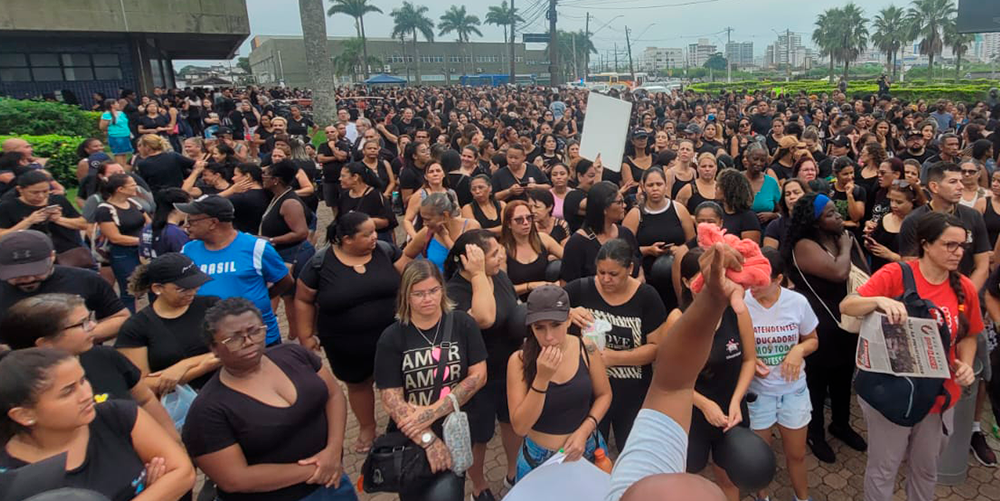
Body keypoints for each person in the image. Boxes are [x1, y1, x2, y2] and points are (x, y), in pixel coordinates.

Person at [841, 212, 981, 501]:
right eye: (949, 245)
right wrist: (878, 300)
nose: (958, 252)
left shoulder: (964, 287)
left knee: (926, 470)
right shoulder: (897, 274)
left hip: (939, 397)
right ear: (926, 245)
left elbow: (969, 335)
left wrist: (966, 364)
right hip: (892, 392)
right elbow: (848, 305)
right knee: (884, 469)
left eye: (962, 246)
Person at [602, 240, 745, 501]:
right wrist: (711, 301)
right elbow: (675, 384)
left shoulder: (638, 483)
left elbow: (672, 385)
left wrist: (712, 300)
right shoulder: (675, 317)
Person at [182, 298, 358, 501]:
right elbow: (234, 478)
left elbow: (334, 394)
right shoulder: (208, 411)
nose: (249, 341)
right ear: (213, 347)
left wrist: (334, 450)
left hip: (333, 482)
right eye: (234, 338)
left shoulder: (294, 354)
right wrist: (316, 469)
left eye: (255, 331)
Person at [0, 348, 195, 500]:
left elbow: (182, 472)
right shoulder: (10, 477)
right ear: (24, 415)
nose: (87, 394)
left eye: (83, 380)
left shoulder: (116, 416)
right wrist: (156, 493)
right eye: (68, 391)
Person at [295, 213, 411, 453]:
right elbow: (304, 299)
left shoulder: (385, 251)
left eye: (373, 232)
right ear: (346, 239)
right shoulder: (320, 263)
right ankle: (367, 427)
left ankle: (405, 422)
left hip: (394, 337)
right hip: (346, 342)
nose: (374, 237)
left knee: (402, 380)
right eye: (366, 234)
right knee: (359, 384)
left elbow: (410, 276)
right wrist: (306, 335)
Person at [374, 260, 488, 501]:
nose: (428, 299)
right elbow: (390, 398)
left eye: (434, 290)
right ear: (406, 295)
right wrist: (427, 439)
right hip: (411, 439)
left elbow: (478, 376)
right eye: (419, 294)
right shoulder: (392, 337)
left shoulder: (462, 323)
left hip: (454, 432)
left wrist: (433, 411)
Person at [0, 293, 178, 440]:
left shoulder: (105, 356)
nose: (93, 326)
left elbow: (145, 399)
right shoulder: (14, 387)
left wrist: (173, 441)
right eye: (82, 323)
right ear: (45, 343)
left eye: (90, 318)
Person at [783, 193, 868, 463]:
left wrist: (850, 246)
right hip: (818, 326)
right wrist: (845, 246)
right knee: (817, 385)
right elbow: (838, 272)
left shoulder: (839, 237)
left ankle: (840, 424)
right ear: (816, 221)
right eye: (830, 214)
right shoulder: (804, 245)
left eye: (836, 211)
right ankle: (814, 433)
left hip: (845, 323)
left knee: (843, 380)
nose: (837, 217)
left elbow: (861, 272)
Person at [565, 238, 667, 451]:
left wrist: (615, 358)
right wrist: (567, 313)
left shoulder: (647, 297)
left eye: (613, 274)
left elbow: (657, 348)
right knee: (589, 450)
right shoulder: (581, 289)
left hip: (633, 392)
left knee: (631, 450)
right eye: (601, 272)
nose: (605, 279)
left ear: (629, 269)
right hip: (588, 391)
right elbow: (544, 310)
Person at [671, 249, 756, 501]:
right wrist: (704, 404)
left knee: (729, 479)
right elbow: (671, 380)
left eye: (715, 278)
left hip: (731, 413)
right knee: (690, 479)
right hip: (691, 414)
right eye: (702, 279)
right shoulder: (677, 319)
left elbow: (749, 360)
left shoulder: (737, 311)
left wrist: (735, 401)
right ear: (687, 282)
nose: (711, 286)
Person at [507, 285, 613, 480]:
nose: (548, 337)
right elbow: (520, 426)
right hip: (539, 459)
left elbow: (604, 394)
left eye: (556, 325)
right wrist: (542, 378)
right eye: (539, 327)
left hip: (587, 450)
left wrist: (584, 430)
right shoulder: (519, 361)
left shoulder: (586, 347)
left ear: (569, 320)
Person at [444, 230, 521, 499]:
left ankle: (513, 472)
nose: (501, 255)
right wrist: (477, 275)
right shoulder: (454, 292)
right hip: (477, 377)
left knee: (512, 422)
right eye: (493, 253)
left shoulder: (498, 275)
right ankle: (479, 484)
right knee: (480, 436)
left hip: (508, 370)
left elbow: (512, 306)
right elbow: (486, 317)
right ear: (471, 259)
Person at [745, 248, 818, 501]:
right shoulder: (741, 303)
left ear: (778, 279)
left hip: (793, 390)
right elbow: (732, 344)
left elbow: (812, 340)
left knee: (796, 455)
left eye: (760, 281)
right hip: (757, 393)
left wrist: (798, 349)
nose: (752, 287)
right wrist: (750, 362)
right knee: (760, 459)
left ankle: (802, 497)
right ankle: (761, 497)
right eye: (749, 279)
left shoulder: (797, 302)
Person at [178, 195, 293, 346]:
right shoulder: (187, 251)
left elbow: (285, 281)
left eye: (191, 221)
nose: (186, 226)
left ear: (213, 222)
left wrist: (260, 298)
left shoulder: (256, 248)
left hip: (259, 340)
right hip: (214, 342)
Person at [115, 253, 220, 397]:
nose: (192, 292)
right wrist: (204, 364)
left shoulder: (211, 306)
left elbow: (235, 346)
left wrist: (185, 365)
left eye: (195, 286)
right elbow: (140, 385)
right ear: (158, 288)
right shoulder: (136, 328)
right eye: (183, 289)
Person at [0, 230, 128, 343]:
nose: (28, 278)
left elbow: (120, 317)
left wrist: (80, 337)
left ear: (52, 257)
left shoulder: (85, 279)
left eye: (35, 271)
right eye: (16, 274)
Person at [898, 162, 991, 289]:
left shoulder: (973, 216)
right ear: (934, 187)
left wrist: (967, 295)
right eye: (953, 182)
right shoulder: (914, 220)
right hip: (928, 296)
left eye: (960, 181)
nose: (960, 186)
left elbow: (982, 266)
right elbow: (910, 267)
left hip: (966, 290)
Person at [622, 167, 694, 312]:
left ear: (665, 185)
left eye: (659, 184)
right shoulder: (636, 215)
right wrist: (647, 250)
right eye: (650, 185)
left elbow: (692, 242)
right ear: (643, 187)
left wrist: (679, 250)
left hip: (677, 277)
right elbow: (624, 248)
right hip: (648, 277)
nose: (655, 189)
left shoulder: (679, 209)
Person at [261, 161, 316, 342]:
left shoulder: (290, 202)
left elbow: (301, 233)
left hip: (295, 255)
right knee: (288, 298)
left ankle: (303, 336)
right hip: (283, 254)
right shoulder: (278, 197)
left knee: (295, 298)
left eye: (266, 175)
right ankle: (294, 334)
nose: (263, 177)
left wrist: (271, 240)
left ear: (276, 180)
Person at [0, 170, 90, 267]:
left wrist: (59, 219)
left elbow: (84, 224)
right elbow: (2, 236)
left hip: (68, 253)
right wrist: (28, 221)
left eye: (45, 191)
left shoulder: (58, 200)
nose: (41, 196)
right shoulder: (8, 207)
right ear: (20, 190)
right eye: (34, 192)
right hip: (31, 257)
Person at [561, 181, 642, 283]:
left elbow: (639, 265)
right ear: (604, 208)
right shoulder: (577, 243)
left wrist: (638, 282)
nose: (624, 205)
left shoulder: (626, 234)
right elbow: (567, 284)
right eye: (619, 202)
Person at [95, 174, 149, 313]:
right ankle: (129, 321)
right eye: (132, 184)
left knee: (152, 284)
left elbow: (148, 223)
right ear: (120, 189)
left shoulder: (134, 203)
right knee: (129, 290)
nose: (135, 187)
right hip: (123, 254)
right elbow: (115, 238)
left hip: (142, 251)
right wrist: (143, 241)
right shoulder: (105, 210)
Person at [500, 200, 564, 300]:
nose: (526, 223)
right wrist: (530, 286)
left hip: (548, 297)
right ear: (509, 224)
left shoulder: (543, 239)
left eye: (529, 218)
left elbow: (570, 261)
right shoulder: (502, 251)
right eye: (519, 220)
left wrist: (561, 283)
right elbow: (503, 289)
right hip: (520, 302)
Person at [865, 180, 926, 272]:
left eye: (899, 202)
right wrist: (869, 243)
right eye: (891, 200)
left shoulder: (920, 223)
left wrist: (890, 255)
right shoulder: (885, 218)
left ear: (912, 202)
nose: (893, 205)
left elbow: (921, 262)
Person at [412, 192, 479, 273]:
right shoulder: (427, 232)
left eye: (428, 219)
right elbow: (405, 256)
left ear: (445, 215)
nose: (424, 223)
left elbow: (463, 261)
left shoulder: (471, 227)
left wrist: (445, 237)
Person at [337, 162, 392, 241]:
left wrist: (359, 222)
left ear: (355, 177)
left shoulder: (374, 195)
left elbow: (385, 222)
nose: (340, 179)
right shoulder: (344, 196)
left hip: (374, 240)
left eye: (343, 176)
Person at [403, 162, 459, 240]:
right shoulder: (419, 195)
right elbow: (407, 220)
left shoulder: (451, 193)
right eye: (431, 172)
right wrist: (416, 238)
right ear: (426, 176)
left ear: (444, 174)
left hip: (448, 236)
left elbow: (457, 216)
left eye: (438, 171)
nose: (435, 174)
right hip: (425, 236)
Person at [139, 188, 190, 261]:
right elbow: (187, 259)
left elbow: (142, 257)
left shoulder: (147, 228)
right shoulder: (175, 233)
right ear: (177, 208)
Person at [220, 163, 270, 235]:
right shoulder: (269, 193)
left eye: (235, 175)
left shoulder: (240, 198)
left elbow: (206, 203)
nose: (232, 178)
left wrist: (230, 191)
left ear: (247, 176)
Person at [717, 168, 762, 244]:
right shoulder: (716, 210)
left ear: (728, 190)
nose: (716, 188)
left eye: (719, 186)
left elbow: (750, 249)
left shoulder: (748, 217)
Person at [762, 179, 809, 249]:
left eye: (796, 193)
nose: (792, 197)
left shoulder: (818, 222)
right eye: (787, 194)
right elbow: (769, 254)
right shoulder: (775, 226)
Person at [563, 158, 602, 232]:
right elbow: (594, 204)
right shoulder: (573, 196)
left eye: (597, 176)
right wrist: (598, 176)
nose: (595, 179)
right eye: (591, 176)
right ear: (580, 176)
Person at [99, 98, 132, 165]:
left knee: (124, 153)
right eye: (116, 103)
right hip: (116, 136)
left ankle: (124, 167)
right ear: (112, 105)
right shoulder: (106, 114)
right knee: (118, 153)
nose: (118, 104)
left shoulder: (121, 113)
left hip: (125, 135)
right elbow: (102, 127)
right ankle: (120, 168)